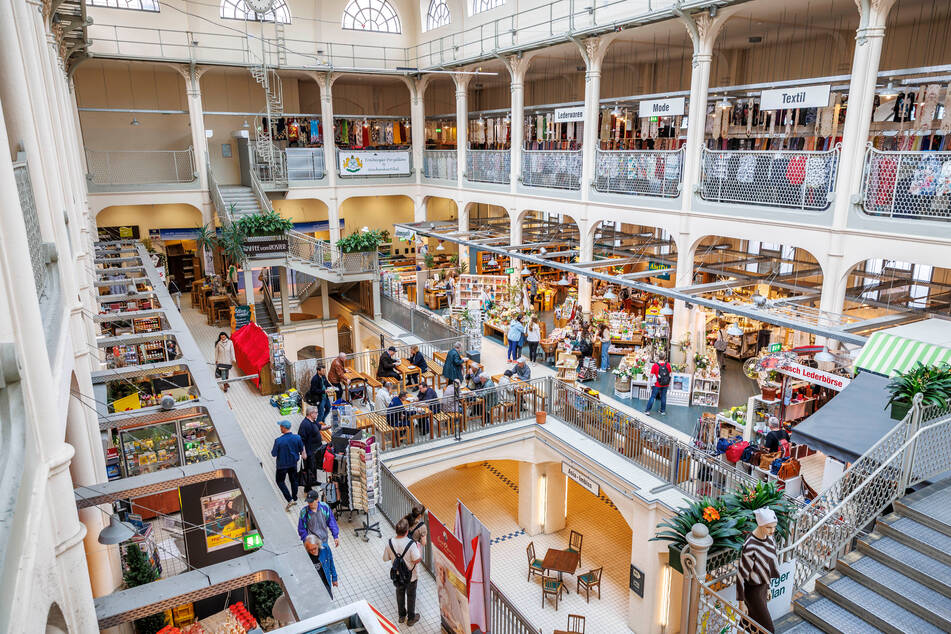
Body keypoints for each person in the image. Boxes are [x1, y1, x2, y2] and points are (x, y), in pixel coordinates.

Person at [736, 508, 780, 632]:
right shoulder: (750, 545)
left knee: (747, 623)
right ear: (760, 524)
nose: (773, 530)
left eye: (774, 527)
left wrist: (769, 587)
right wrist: (741, 602)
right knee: (768, 629)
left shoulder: (770, 538)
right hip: (753, 591)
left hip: (763, 587)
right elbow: (741, 574)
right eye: (769, 527)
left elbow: (768, 565)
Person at [298, 489, 341, 590]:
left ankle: (328, 583)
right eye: (308, 501)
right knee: (315, 563)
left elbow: (331, 521)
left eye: (311, 501)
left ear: (317, 500)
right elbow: (301, 530)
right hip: (313, 544)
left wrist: (336, 536)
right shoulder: (304, 512)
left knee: (327, 560)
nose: (309, 503)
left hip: (324, 542)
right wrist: (308, 542)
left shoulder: (325, 508)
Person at [383, 518, 422, 626]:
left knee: (400, 594)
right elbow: (417, 560)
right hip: (411, 576)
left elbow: (385, 558)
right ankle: (411, 619)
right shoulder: (411, 544)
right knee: (411, 596)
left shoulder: (389, 542)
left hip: (397, 575)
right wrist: (419, 549)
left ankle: (401, 616)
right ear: (407, 531)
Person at [272, 420, 305, 510]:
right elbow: (301, 449)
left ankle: (289, 499)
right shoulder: (297, 438)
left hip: (282, 466)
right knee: (293, 480)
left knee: (280, 481)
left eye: (280, 426)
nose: (280, 428)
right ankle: (294, 497)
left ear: (283, 428)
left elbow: (273, 454)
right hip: (293, 463)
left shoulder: (278, 441)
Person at [298, 406, 329, 490]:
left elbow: (320, 427)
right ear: (311, 414)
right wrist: (303, 452)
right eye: (316, 412)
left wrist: (329, 426)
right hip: (309, 451)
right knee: (309, 469)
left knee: (314, 467)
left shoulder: (313, 421)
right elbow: (301, 440)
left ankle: (314, 481)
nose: (317, 414)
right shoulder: (305, 424)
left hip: (315, 450)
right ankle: (307, 488)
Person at [304, 534, 334, 598]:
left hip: (325, 580)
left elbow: (331, 562)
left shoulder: (325, 548)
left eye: (314, 548)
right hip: (314, 584)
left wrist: (334, 578)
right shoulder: (305, 555)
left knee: (329, 598)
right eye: (310, 550)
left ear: (318, 544)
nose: (313, 551)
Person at [645, 352, 672, 416]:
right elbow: (670, 374)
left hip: (658, 384)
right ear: (664, 357)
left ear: (658, 357)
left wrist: (649, 374)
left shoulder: (655, 365)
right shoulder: (668, 365)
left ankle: (647, 411)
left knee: (653, 396)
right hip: (665, 384)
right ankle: (663, 411)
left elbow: (651, 375)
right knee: (663, 396)